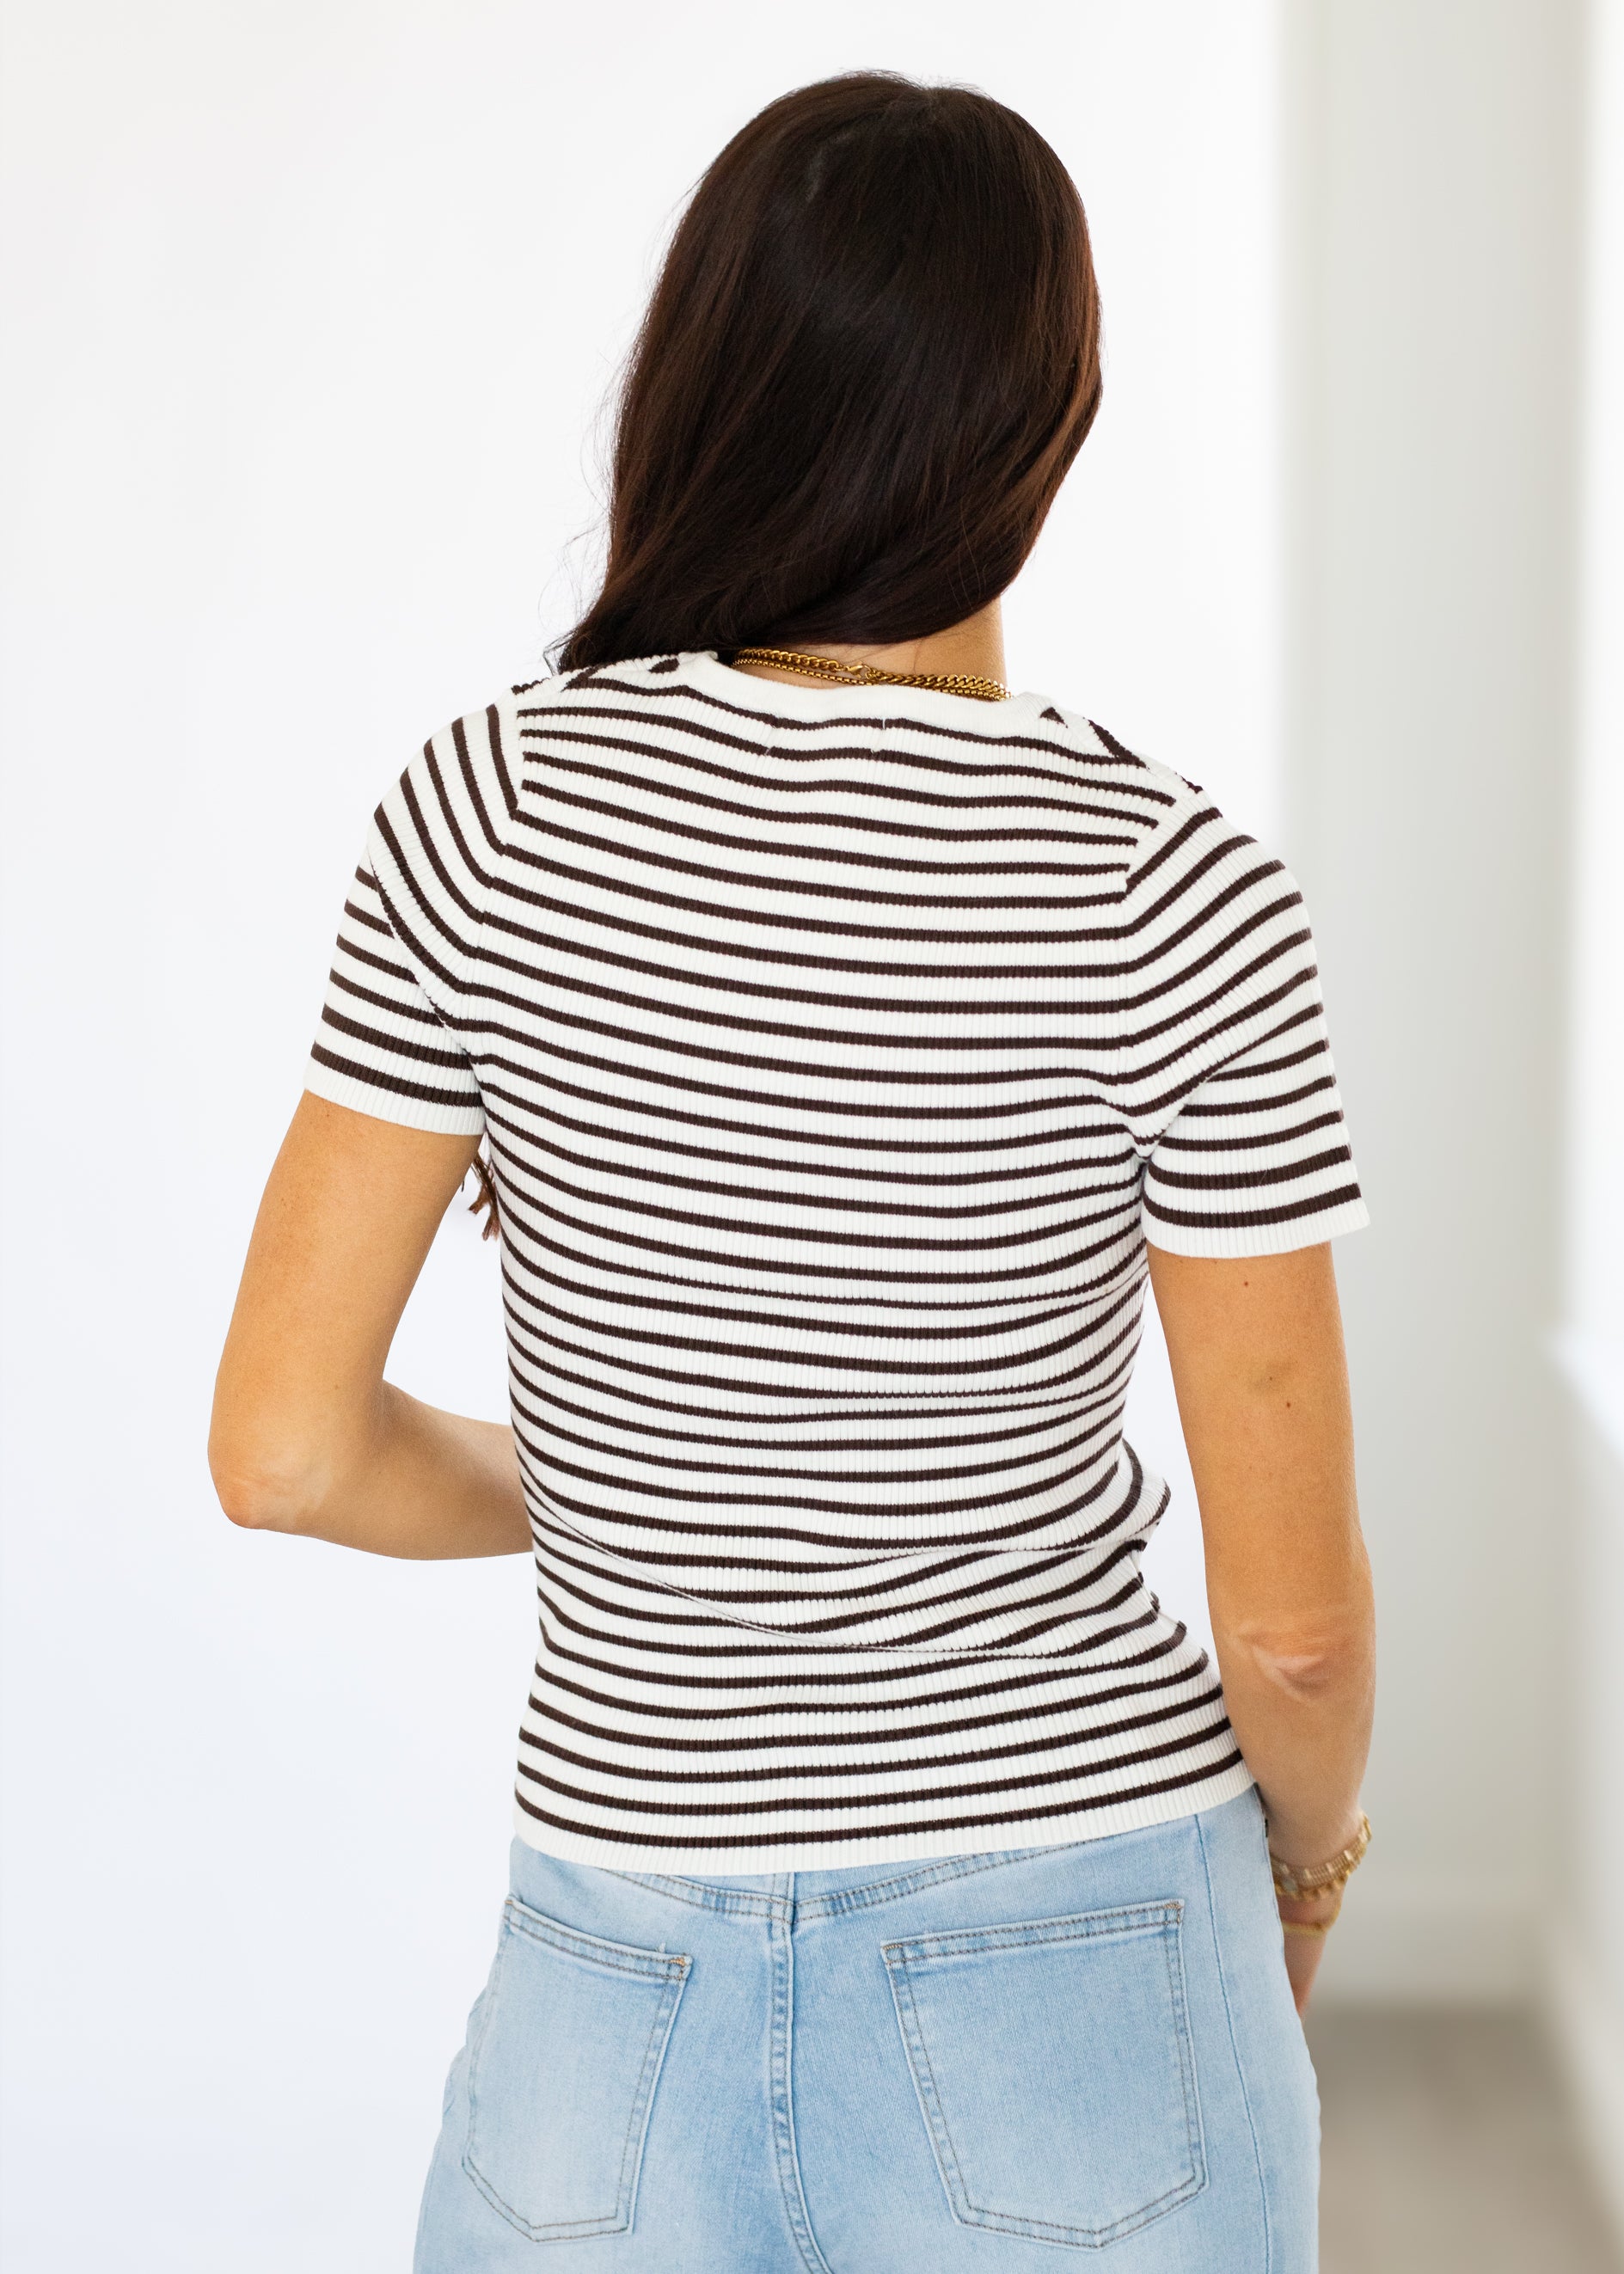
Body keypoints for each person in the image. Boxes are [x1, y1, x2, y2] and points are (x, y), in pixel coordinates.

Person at [210, 71, 1375, 2272]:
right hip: (1083, 1946)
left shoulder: (487, 814)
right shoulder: (1172, 887)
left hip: (612, 1980)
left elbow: (282, 1452)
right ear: (1055, 411)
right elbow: (1295, 1634)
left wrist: (662, 1482)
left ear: (711, 377)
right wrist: (1306, 1880)